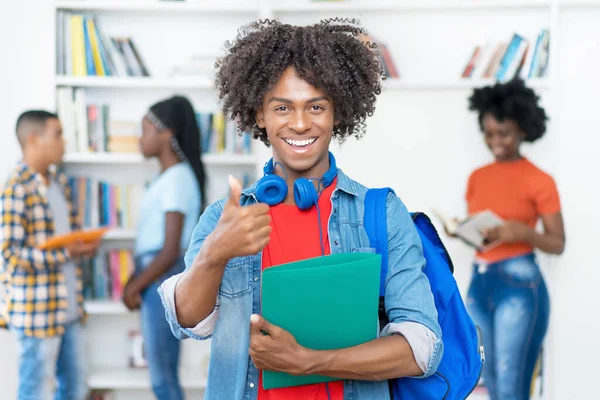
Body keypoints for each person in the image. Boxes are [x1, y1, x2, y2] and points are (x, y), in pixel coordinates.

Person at [158, 19, 443, 400]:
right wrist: (215, 252)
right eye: (282, 107)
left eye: (316, 106)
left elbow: (422, 348)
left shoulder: (381, 213)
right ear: (260, 115)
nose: (299, 123)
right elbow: (187, 322)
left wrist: (307, 361)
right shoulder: (227, 218)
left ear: (337, 113)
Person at [458, 79, 565, 400]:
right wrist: (466, 233)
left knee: (510, 385)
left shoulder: (539, 180)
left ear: (523, 130)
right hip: (479, 282)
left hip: (519, 284)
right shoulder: (478, 177)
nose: (495, 142)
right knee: (485, 377)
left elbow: (558, 242)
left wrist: (524, 233)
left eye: (503, 133)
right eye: (488, 134)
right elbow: (482, 236)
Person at [0, 110, 100, 400]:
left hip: (69, 310)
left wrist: (82, 246)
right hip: (37, 316)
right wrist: (64, 254)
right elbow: (10, 256)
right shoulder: (15, 188)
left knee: (76, 388)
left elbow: (69, 236)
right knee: (36, 392)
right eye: (57, 134)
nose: (64, 142)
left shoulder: (59, 183)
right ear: (34, 139)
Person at [122, 95, 206, 400]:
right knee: (162, 374)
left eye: (145, 130)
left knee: (162, 378)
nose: (140, 139)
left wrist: (135, 287)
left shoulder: (177, 178)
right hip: (153, 274)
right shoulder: (168, 178)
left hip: (161, 275)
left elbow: (170, 249)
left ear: (166, 133)